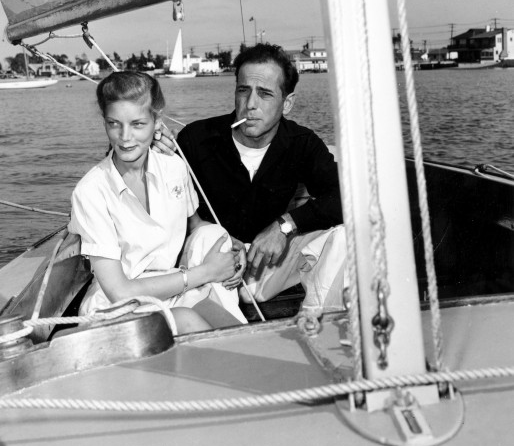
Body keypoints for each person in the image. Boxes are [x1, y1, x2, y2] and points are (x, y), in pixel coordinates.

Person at [154, 43, 346, 311]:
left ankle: (317, 323)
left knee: (345, 235)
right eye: (244, 91)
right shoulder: (197, 139)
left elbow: (348, 197)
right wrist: (151, 152)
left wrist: (285, 225)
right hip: (211, 266)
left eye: (265, 94)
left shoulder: (300, 143)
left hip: (266, 265)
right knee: (209, 239)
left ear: (287, 103)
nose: (250, 105)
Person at [68, 71, 247, 334]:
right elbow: (120, 292)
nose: (125, 137)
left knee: (215, 238)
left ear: (156, 121)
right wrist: (207, 272)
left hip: (173, 291)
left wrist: (232, 247)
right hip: (118, 309)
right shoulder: (90, 191)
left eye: (137, 124)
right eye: (114, 123)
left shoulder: (174, 168)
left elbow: (195, 225)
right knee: (189, 321)